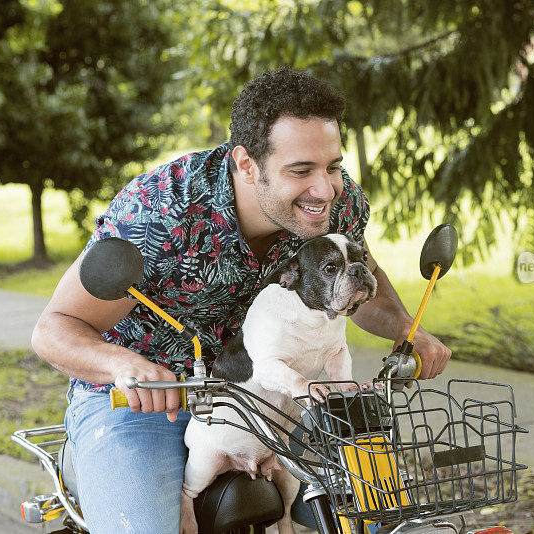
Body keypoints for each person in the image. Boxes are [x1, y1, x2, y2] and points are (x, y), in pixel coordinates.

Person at [32, 67, 452, 533]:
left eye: (332, 166)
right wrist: (123, 367)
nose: (325, 189)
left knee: (383, 515)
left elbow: (362, 276)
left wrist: (405, 328)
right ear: (246, 164)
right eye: (301, 170)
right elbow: (55, 327)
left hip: (274, 398)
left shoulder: (338, 201)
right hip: (146, 402)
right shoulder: (163, 208)